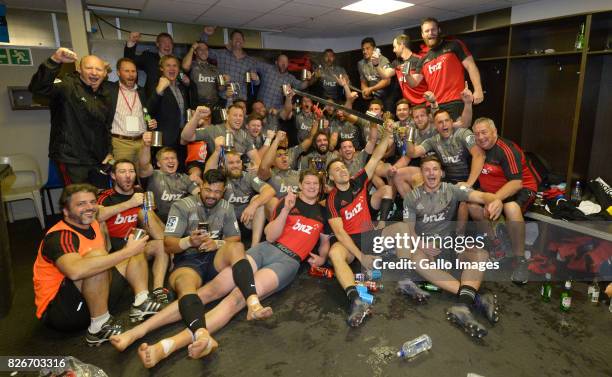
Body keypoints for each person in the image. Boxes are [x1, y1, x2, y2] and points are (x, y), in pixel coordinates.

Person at [110, 170, 330, 368]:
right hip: (266, 248)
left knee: (235, 300)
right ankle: (138, 331)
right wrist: (286, 210)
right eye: (308, 183)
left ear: (320, 187)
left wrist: (321, 258)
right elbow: (271, 235)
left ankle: (167, 346)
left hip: (287, 261)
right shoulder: (287, 203)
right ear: (300, 185)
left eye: (315, 184)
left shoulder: (323, 212)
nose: (312, 187)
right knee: (209, 290)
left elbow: (324, 242)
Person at [33, 184, 149, 345]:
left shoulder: (92, 221)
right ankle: (98, 327)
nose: (89, 208)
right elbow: (75, 271)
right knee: (99, 257)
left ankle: (142, 301)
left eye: (92, 202)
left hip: (89, 294)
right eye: (81, 204)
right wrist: (126, 252)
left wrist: (130, 250)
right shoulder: (59, 236)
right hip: (62, 313)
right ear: (65, 211)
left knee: (134, 248)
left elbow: (104, 211)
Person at [401, 156, 502, 338]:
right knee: (416, 258)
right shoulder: (411, 198)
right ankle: (476, 299)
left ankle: (462, 306)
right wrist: (421, 244)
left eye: (435, 169)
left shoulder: (452, 190)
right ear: (422, 174)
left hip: (449, 248)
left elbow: (480, 196)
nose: (431, 173)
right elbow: (407, 231)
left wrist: (496, 200)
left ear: (442, 173)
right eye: (427, 169)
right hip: (426, 252)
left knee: (481, 254)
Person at [325, 121, 396, 327]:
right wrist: (361, 257)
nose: (341, 171)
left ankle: (409, 280)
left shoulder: (358, 180)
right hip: (351, 241)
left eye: (342, 167)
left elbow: (375, 157)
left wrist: (387, 134)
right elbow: (340, 234)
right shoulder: (332, 199)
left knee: (403, 229)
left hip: (369, 234)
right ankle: (355, 298)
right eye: (336, 170)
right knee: (335, 254)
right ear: (331, 178)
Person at [469, 117, 541, 284]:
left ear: (494, 132)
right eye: (477, 134)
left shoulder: (506, 149)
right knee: (472, 205)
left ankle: (520, 260)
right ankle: (496, 244)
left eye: (484, 132)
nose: (480, 137)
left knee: (511, 208)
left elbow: (517, 182)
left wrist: (496, 199)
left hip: (520, 189)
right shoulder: (477, 149)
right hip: (494, 191)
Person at [28, 47, 113, 187]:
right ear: (79, 69)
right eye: (89, 68)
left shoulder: (104, 95)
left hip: (98, 160)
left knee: (98, 201)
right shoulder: (67, 86)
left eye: (98, 69)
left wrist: (109, 152)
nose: (94, 72)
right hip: (72, 160)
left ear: (104, 73)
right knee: (78, 200)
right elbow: (38, 87)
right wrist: (54, 60)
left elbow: (106, 128)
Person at [97, 159, 170, 305]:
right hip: (117, 250)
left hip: (138, 241)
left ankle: (158, 289)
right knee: (136, 244)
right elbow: (98, 215)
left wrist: (168, 239)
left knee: (160, 241)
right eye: (122, 172)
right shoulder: (106, 196)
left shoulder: (139, 192)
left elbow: (152, 219)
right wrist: (130, 203)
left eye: (131, 171)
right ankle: (142, 297)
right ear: (113, 176)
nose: (128, 176)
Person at [405, 17, 484, 120]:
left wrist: (478, 90)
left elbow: (471, 66)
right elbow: (414, 82)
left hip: (454, 102)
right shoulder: (423, 58)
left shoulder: (454, 45)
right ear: (423, 35)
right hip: (434, 105)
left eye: (433, 30)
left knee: (456, 134)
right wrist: (406, 73)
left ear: (439, 30)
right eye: (427, 31)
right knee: (435, 136)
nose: (430, 33)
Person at [205, 150, 276, 246]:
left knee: (259, 199)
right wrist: (217, 150)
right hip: (226, 222)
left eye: (238, 162)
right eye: (231, 163)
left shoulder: (249, 176)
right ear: (223, 165)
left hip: (246, 220)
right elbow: (207, 174)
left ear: (241, 163)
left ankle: (254, 246)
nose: (235, 165)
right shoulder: (220, 177)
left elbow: (270, 190)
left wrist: (253, 205)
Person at [181, 104, 261, 168]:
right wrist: (196, 117)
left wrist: (254, 167)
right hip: (218, 174)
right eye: (235, 115)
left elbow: (256, 160)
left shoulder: (245, 135)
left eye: (241, 116)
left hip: (237, 173)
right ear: (227, 116)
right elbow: (186, 136)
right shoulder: (213, 130)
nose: (238, 118)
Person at [138, 140, 200, 223]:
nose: (170, 161)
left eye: (173, 158)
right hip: (157, 220)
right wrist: (146, 145)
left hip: (180, 220)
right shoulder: (153, 175)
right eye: (166, 159)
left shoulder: (185, 178)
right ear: (159, 164)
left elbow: (200, 196)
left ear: (177, 162)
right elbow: (144, 165)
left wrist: (201, 183)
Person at [146, 55, 190, 166]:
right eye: (168, 65)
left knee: (180, 170)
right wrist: (159, 90)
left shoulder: (182, 87)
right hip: (163, 139)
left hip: (182, 139)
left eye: (175, 66)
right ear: (162, 68)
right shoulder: (154, 85)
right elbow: (147, 110)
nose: (172, 68)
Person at [107, 58, 153, 164]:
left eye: (133, 71)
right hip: (120, 143)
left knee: (144, 175)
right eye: (127, 71)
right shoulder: (109, 89)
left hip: (142, 142)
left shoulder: (142, 91)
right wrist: (104, 68)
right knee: (122, 175)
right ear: (118, 72)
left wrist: (150, 121)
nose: (131, 74)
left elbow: (146, 112)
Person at [200, 27, 261, 101]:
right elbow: (204, 51)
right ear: (231, 41)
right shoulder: (222, 54)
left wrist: (256, 78)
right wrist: (205, 35)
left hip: (241, 100)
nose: (238, 40)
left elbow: (256, 83)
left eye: (240, 38)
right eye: (235, 38)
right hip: (224, 97)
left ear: (243, 42)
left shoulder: (250, 61)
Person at [258, 129, 316, 199]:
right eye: (279, 155)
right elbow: (263, 167)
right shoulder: (269, 175)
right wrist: (277, 139)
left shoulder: (299, 175)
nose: (284, 157)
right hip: (278, 207)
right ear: (272, 162)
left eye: (285, 154)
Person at [374, 34, 428, 106]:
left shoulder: (419, 60)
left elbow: (414, 84)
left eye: (395, 47)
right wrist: (376, 64)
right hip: (409, 104)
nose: (393, 50)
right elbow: (385, 75)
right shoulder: (396, 62)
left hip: (423, 103)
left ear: (402, 45)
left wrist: (406, 73)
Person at [124, 32, 176, 97]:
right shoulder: (149, 57)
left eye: (170, 43)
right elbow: (129, 61)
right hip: (154, 102)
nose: (167, 46)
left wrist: (184, 79)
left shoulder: (177, 61)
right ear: (157, 44)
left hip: (174, 102)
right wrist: (131, 42)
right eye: (164, 42)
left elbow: (182, 74)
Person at [181, 41, 223, 110]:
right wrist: (192, 48)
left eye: (206, 49)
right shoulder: (192, 65)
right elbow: (185, 66)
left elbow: (221, 88)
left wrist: (224, 81)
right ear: (195, 52)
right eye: (200, 49)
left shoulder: (215, 68)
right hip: (198, 106)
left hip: (214, 105)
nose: (204, 51)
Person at [181, 105, 214, 185]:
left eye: (207, 116)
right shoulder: (190, 130)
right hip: (194, 163)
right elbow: (183, 141)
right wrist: (195, 123)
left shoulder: (214, 129)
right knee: (195, 175)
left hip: (211, 160)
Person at [358, 38, 391, 106]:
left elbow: (387, 81)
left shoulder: (383, 60)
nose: (365, 51)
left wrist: (371, 89)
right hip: (372, 97)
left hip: (386, 96)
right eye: (363, 49)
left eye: (367, 48)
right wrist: (365, 90)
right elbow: (363, 81)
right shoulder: (360, 63)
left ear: (374, 49)